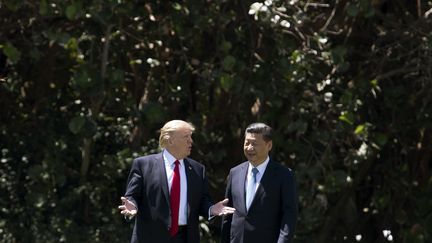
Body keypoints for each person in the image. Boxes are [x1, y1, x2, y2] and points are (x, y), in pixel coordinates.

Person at [119, 120, 235, 243]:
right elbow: (132, 196)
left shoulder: (198, 169)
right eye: (186, 137)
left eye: (191, 137)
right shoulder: (143, 165)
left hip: (185, 237)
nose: (191, 141)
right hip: (150, 237)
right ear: (170, 140)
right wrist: (132, 205)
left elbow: (202, 201)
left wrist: (211, 209)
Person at [221, 123, 298, 243]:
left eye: (254, 144)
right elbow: (228, 214)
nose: (250, 148)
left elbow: (289, 215)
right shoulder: (235, 172)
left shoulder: (284, 175)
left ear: (269, 145)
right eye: (247, 143)